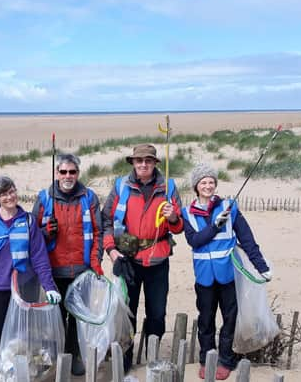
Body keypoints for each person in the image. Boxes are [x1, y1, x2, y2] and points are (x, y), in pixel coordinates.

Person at [181, 163, 271, 380]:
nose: (208, 186)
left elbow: (247, 239)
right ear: (196, 186)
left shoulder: (230, 207)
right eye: (203, 182)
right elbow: (194, 241)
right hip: (203, 276)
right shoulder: (187, 213)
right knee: (206, 319)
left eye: (211, 182)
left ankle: (226, 360)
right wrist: (214, 227)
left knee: (230, 318)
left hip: (228, 274)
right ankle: (206, 359)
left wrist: (262, 267)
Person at [0, 176, 60, 382]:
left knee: (22, 339)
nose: (9, 197)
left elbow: (39, 257)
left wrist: (50, 287)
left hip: (24, 289)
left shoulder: (27, 221)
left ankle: (18, 377)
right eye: (3, 194)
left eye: (11, 191)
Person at [101, 143, 183, 373]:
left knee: (156, 313)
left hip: (158, 261)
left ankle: (153, 360)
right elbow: (106, 220)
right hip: (128, 261)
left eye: (148, 160)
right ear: (133, 163)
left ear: (155, 163)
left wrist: (174, 217)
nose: (143, 164)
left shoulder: (168, 187)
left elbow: (178, 228)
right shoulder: (121, 186)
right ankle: (125, 360)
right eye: (139, 161)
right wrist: (112, 251)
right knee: (127, 313)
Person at [32, 153, 103, 376]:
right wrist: (46, 232)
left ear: (78, 174)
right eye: (63, 172)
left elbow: (98, 233)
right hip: (55, 271)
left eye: (72, 172)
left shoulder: (89, 198)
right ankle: (57, 355)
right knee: (55, 317)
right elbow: (33, 236)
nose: (68, 176)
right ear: (57, 173)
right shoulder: (44, 198)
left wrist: (95, 263)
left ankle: (73, 356)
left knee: (77, 318)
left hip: (82, 270)